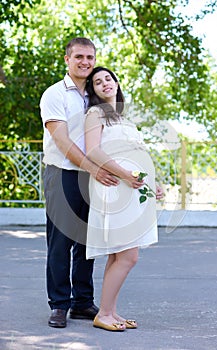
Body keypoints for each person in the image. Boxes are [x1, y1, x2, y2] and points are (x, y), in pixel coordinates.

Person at [40, 38, 119, 328]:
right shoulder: (54, 94)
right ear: (67, 59)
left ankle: (82, 302)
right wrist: (92, 168)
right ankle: (59, 304)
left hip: (93, 177)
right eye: (79, 57)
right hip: (62, 174)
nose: (85, 62)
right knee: (60, 242)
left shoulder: (96, 93)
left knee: (88, 241)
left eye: (90, 57)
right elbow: (61, 140)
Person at [84, 66, 164, 331]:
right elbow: (93, 150)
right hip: (115, 188)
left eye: (108, 78)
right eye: (97, 81)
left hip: (132, 189)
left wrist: (154, 183)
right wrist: (125, 175)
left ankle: (110, 312)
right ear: (93, 90)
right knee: (129, 256)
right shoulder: (95, 113)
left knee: (119, 255)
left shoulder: (124, 119)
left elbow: (138, 153)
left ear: (117, 83)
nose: (104, 83)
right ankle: (103, 314)